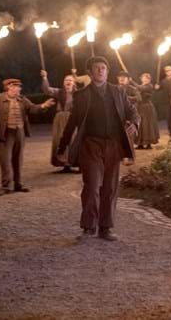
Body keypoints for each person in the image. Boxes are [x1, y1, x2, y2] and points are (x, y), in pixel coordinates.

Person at [57, 56, 139, 241]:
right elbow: (72, 123)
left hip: (114, 146)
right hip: (91, 145)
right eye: (97, 68)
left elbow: (132, 111)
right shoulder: (82, 95)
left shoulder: (118, 91)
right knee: (92, 185)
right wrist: (62, 147)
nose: (101, 70)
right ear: (89, 72)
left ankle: (105, 228)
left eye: (104, 67)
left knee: (110, 187)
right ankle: (88, 227)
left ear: (107, 71)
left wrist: (135, 123)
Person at [0, 79, 55, 196]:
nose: (20, 88)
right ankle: (6, 186)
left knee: (18, 159)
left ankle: (18, 184)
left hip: (20, 132)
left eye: (19, 86)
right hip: (5, 133)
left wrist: (43, 105)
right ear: (9, 87)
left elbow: (32, 108)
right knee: (5, 160)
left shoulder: (22, 99)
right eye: (17, 86)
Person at [41, 70, 76, 172]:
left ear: (74, 83)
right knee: (60, 139)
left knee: (73, 139)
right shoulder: (59, 92)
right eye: (66, 80)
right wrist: (45, 78)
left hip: (73, 117)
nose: (68, 82)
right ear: (63, 83)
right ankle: (64, 164)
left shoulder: (78, 93)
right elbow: (47, 90)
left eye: (70, 80)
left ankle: (74, 162)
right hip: (60, 118)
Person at [132, 73, 160, 149]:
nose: (144, 79)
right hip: (140, 107)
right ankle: (140, 143)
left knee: (147, 125)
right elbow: (137, 91)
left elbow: (140, 88)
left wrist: (131, 81)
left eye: (146, 78)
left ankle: (148, 144)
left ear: (149, 80)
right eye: (143, 78)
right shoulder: (141, 86)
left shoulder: (149, 86)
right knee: (140, 125)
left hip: (147, 108)